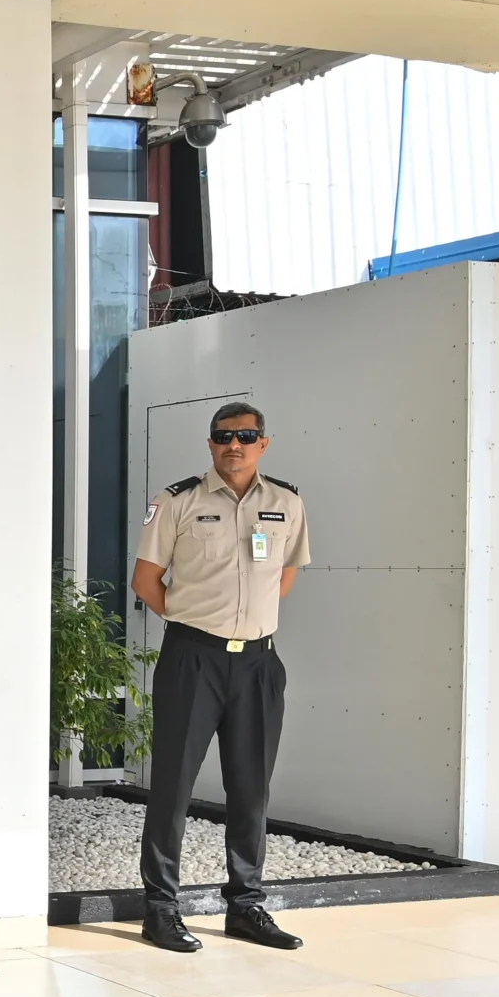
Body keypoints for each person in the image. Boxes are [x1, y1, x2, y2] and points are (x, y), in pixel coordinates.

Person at [131, 399, 310, 955]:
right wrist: (195, 624)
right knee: (173, 785)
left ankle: (246, 906)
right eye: (224, 436)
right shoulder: (177, 501)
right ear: (210, 443)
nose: (235, 445)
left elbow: (284, 576)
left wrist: (247, 627)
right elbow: (146, 580)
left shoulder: (287, 503)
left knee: (251, 787)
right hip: (193, 659)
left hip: (258, 664)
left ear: (264, 443)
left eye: (246, 436)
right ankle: (160, 909)